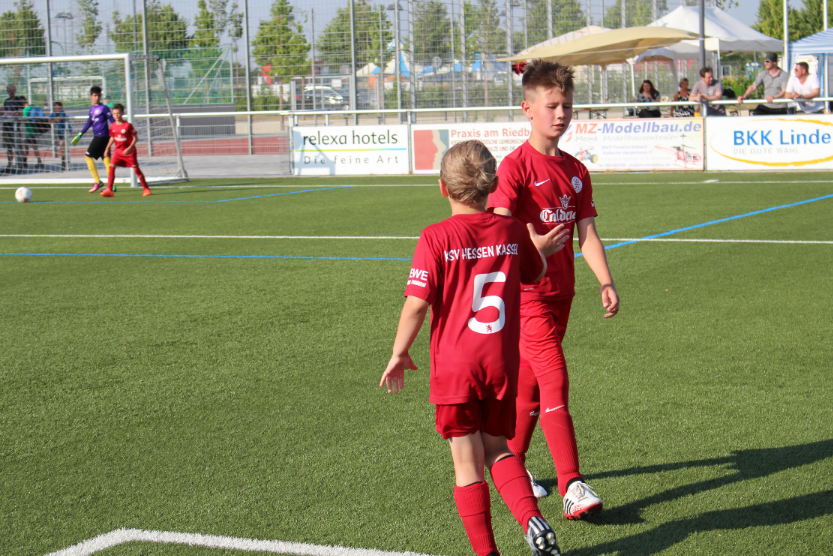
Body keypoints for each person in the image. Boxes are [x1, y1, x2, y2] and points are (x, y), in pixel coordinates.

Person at [380, 139, 568, 556]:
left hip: (456, 368)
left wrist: (399, 352)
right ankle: (531, 518)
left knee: (467, 465)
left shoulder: (435, 236)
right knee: (499, 450)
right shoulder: (512, 230)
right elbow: (534, 273)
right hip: (500, 363)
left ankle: (488, 553)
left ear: (442, 187)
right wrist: (536, 248)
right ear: (493, 186)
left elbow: (416, 304)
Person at [488, 58, 620, 519]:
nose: (561, 114)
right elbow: (498, 231)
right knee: (554, 379)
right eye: (551, 106)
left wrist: (605, 280)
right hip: (527, 297)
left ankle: (512, 463)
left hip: (563, 294)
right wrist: (534, 246)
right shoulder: (515, 167)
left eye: (567, 105)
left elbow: (588, 233)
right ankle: (572, 484)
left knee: (529, 387)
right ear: (528, 108)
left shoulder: (577, 170)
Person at [101, 103, 151, 197]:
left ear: (122, 113)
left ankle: (146, 188)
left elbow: (135, 138)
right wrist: (107, 149)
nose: (116, 115)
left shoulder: (127, 125)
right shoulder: (112, 126)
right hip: (118, 151)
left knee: (136, 170)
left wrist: (129, 148)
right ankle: (109, 190)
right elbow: (112, 137)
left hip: (129, 152)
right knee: (111, 167)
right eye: (114, 113)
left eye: (118, 113)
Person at [71, 86, 115, 193]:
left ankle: (97, 181)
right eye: (95, 96)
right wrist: (80, 134)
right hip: (101, 137)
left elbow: (112, 121)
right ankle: (112, 185)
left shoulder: (104, 108)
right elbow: (89, 123)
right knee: (106, 158)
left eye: (99, 96)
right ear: (91, 96)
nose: (97, 98)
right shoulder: (91, 109)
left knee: (87, 157)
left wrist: (117, 131)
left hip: (101, 137)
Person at [3, 84, 25, 173]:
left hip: (15, 128)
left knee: (18, 146)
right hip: (6, 127)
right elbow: (5, 112)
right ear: (7, 91)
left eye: (13, 90)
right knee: (9, 147)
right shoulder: (6, 101)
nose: (12, 92)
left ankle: (21, 166)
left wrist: (14, 114)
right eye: (10, 90)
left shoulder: (19, 100)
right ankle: (10, 165)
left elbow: (20, 113)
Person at [20, 96, 44, 170]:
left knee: (33, 146)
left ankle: (39, 162)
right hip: (34, 129)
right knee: (27, 145)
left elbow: (25, 120)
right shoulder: (32, 106)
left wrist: (19, 118)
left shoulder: (25, 109)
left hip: (29, 130)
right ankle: (25, 161)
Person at [49, 101, 70, 170]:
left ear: (61, 108)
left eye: (59, 108)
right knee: (62, 146)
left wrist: (54, 119)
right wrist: (55, 119)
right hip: (59, 131)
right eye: (56, 108)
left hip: (65, 130)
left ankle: (65, 160)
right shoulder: (54, 113)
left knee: (63, 145)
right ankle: (63, 160)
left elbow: (59, 120)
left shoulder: (63, 113)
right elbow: (49, 121)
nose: (57, 109)